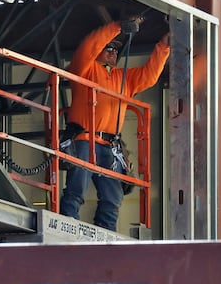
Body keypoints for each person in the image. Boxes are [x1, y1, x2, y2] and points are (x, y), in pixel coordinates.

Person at [59, 17, 170, 231]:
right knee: (76, 190)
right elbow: (88, 47)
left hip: (110, 145)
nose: (113, 52)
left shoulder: (124, 78)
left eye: (115, 50)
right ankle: (67, 227)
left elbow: (149, 75)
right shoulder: (84, 69)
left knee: (113, 196)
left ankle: (106, 234)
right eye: (107, 48)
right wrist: (117, 27)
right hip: (84, 139)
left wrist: (163, 46)